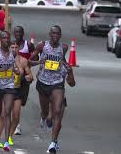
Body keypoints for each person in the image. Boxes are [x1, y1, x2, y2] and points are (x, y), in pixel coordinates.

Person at [29, 25, 72, 153]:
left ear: (60, 36)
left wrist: (66, 67)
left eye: (57, 34)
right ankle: (45, 117)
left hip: (57, 82)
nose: (55, 36)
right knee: (45, 113)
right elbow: (30, 61)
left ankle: (53, 143)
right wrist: (40, 62)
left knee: (57, 111)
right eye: (53, 33)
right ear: (49, 34)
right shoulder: (42, 46)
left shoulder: (63, 47)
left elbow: (62, 59)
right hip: (43, 82)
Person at [12, 26, 35, 135]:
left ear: (23, 33)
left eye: (20, 32)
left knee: (22, 102)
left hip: (25, 77)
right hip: (12, 77)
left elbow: (35, 58)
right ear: (13, 33)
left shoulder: (28, 45)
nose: (18, 34)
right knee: (13, 100)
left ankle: (16, 121)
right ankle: (17, 125)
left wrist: (27, 65)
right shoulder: (11, 44)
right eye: (16, 32)